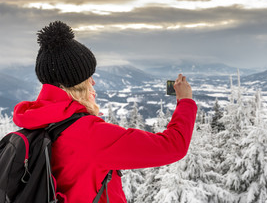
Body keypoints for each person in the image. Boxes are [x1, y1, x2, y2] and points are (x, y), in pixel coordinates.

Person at [12, 21, 197, 203]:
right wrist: (185, 101)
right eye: (88, 77)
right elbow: (173, 146)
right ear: (77, 83)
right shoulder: (90, 135)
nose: (93, 82)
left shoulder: (35, 122)